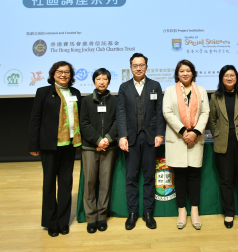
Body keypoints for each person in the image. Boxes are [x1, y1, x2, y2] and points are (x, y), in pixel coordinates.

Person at [28, 61, 82, 237]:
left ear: (71, 75)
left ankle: (62, 221)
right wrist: (33, 144)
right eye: (60, 72)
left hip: (69, 145)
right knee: (49, 184)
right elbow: (36, 119)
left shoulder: (75, 93)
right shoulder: (44, 92)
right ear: (53, 74)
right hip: (50, 146)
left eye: (67, 72)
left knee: (66, 184)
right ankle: (51, 222)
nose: (63, 75)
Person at [117, 53, 165, 230]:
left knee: (149, 176)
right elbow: (120, 113)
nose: (138, 68)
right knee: (131, 177)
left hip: (151, 137)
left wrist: (160, 133)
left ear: (146, 66)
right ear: (130, 67)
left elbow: (159, 112)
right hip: (131, 138)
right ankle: (132, 213)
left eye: (141, 65)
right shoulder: (124, 87)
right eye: (135, 65)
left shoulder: (155, 85)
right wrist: (122, 136)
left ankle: (148, 213)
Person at [208, 65, 238, 230]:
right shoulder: (215, 97)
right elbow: (212, 120)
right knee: (226, 180)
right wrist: (218, 135)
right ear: (221, 78)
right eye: (226, 76)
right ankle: (229, 212)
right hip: (224, 143)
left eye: (232, 75)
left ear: (237, 78)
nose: (229, 78)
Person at [163, 59, 210, 230]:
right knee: (181, 177)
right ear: (177, 73)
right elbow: (167, 112)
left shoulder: (202, 91)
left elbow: (206, 112)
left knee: (194, 176)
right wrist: (184, 131)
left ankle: (195, 211)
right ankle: (182, 211)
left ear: (193, 73)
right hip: (178, 138)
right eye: (181, 71)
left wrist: (195, 132)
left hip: (195, 139)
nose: (185, 73)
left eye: (188, 70)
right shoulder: (169, 91)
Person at [79, 68, 118, 234]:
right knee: (89, 183)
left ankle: (102, 215)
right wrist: (97, 140)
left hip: (109, 147)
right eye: (98, 79)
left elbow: (118, 121)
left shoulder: (115, 101)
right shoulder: (87, 100)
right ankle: (91, 217)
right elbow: (84, 123)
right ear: (94, 81)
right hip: (90, 147)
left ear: (109, 81)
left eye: (104, 79)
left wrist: (107, 139)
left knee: (105, 181)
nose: (102, 81)